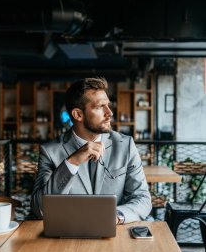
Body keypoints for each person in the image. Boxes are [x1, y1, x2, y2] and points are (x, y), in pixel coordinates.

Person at [31, 77, 152, 224]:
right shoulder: (50, 151)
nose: (109, 113)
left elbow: (143, 199)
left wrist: (116, 216)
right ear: (78, 115)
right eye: (100, 106)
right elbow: (40, 210)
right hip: (69, 237)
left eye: (108, 105)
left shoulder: (125, 145)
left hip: (114, 236)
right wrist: (72, 162)